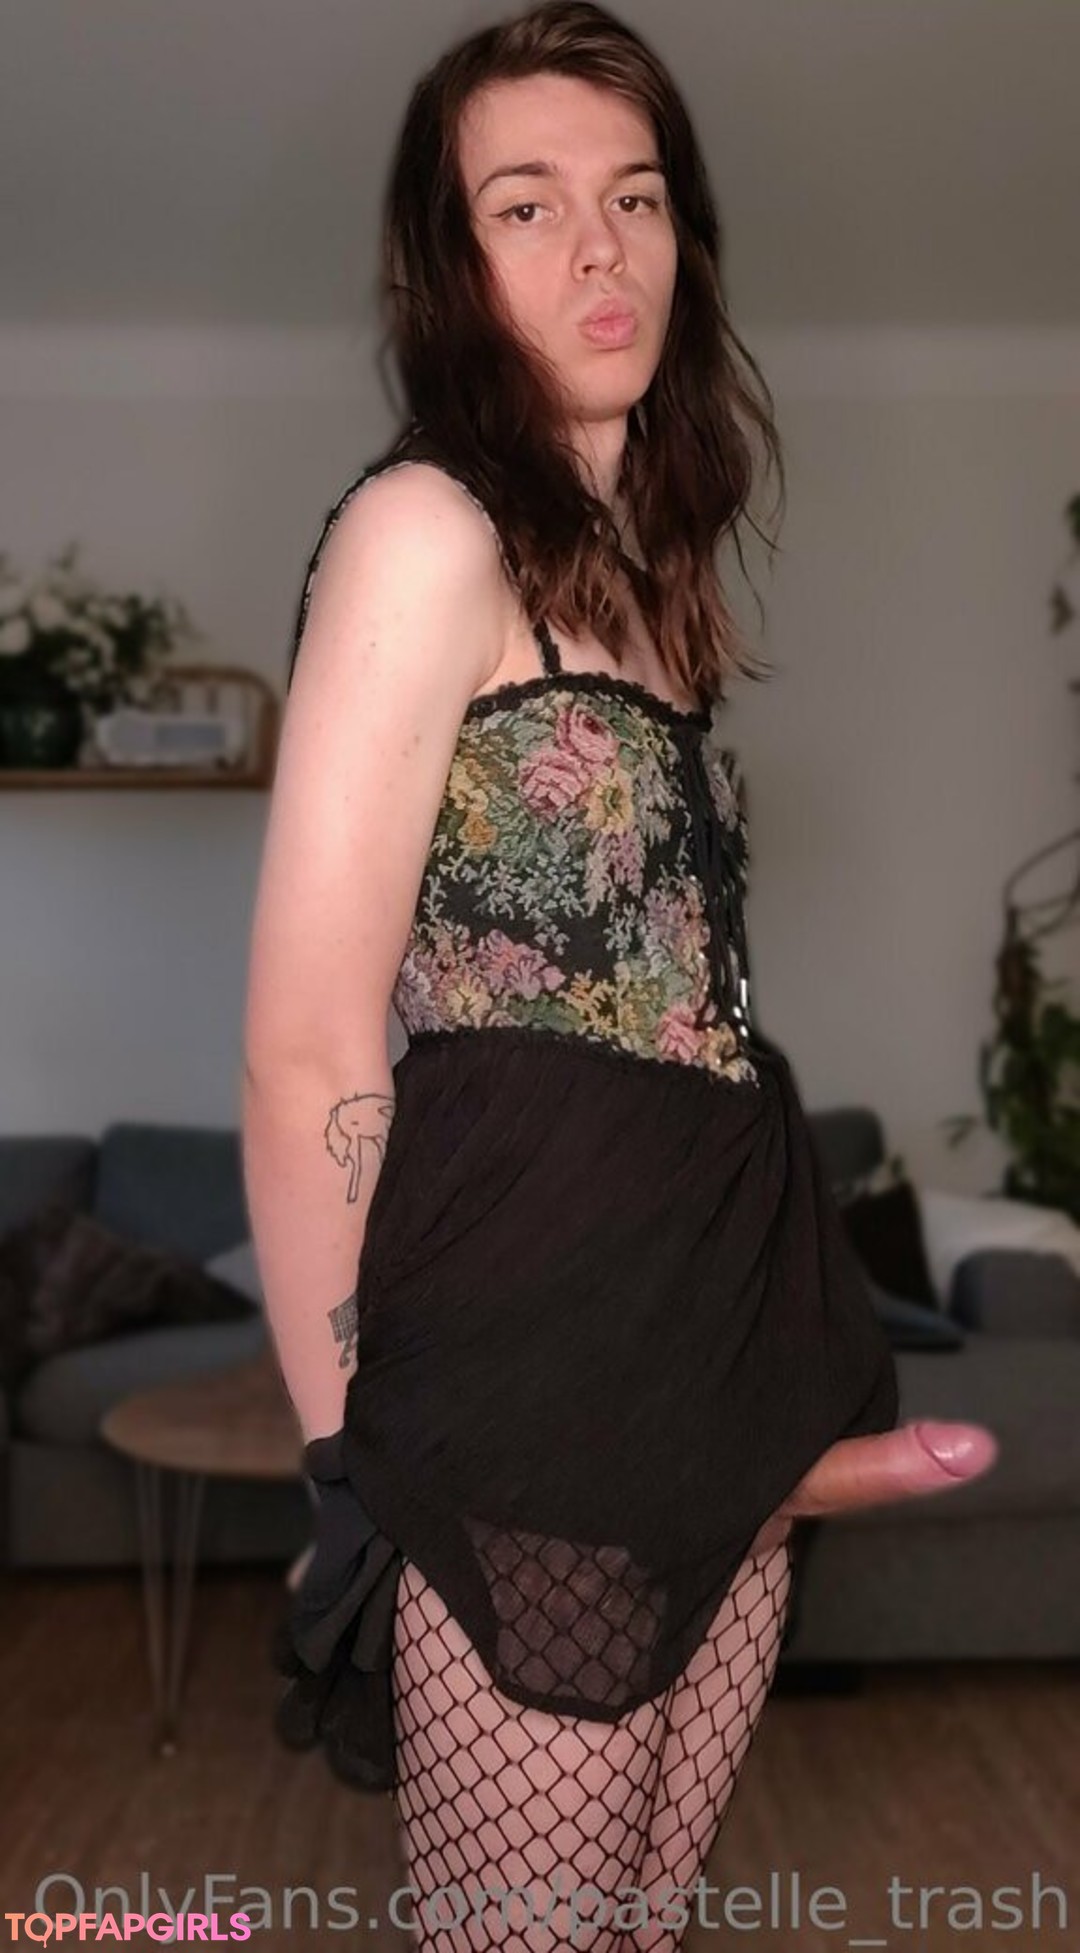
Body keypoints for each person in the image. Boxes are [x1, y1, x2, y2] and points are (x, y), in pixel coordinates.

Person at [242, 4, 999, 1947]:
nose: (600, 245)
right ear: (450, 265)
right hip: (534, 1379)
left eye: (636, 195)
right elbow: (311, 1035)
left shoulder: (645, 586)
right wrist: (346, 1461)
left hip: (714, 1347)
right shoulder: (425, 527)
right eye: (528, 203)